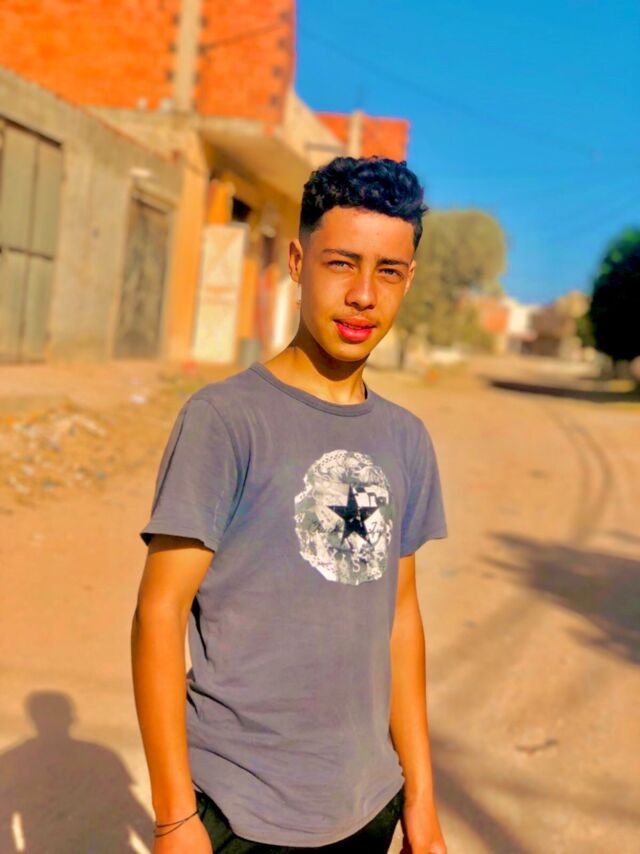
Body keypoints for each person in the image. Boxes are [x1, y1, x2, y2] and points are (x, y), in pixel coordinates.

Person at [131, 156, 449, 854]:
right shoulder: (225, 420)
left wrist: (420, 799)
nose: (362, 295)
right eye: (342, 264)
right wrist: (174, 817)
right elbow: (160, 612)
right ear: (299, 263)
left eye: (387, 272)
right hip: (238, 809)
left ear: (408, 280)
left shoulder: (406, 440)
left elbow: (401, 617)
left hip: (367, 804)